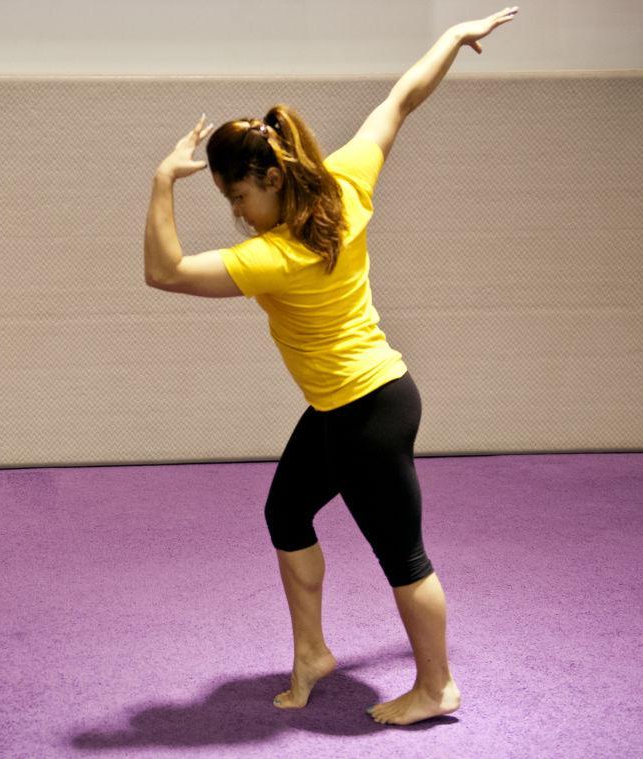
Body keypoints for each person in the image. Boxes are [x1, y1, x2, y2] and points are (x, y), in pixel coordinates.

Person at [145, 6, 519, 726]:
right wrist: (447, 37)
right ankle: (313, 650)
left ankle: (436, 685)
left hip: (365, 412)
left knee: (404, 556)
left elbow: (163, 272)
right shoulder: (345, 184)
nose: (239, 213)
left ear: (273, 179)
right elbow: (401, 99)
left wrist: (164, 179)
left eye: (239, 196)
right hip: (355, 401)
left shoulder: (273, 258)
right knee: (286, 510)